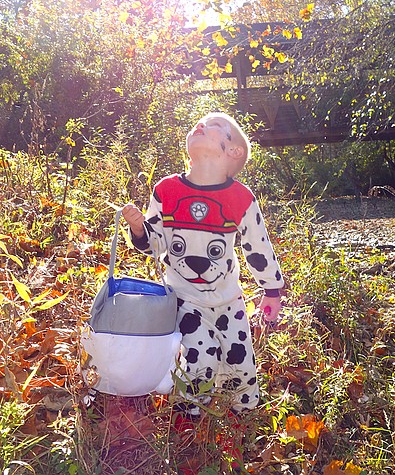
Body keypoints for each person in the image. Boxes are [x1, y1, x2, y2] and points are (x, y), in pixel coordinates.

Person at [121, 112, 283, 418]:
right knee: (199, 359)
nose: (200, 125)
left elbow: (257, 246)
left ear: (233, 151)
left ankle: (243, 416)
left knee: (241, 363)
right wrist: (141, 229)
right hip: (184, 297)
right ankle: (188, 419)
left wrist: (271, 289)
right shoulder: (167, 191)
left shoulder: (240, 198)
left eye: (215, 126)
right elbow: (157, 246)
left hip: (228, 300)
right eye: (200, 123)